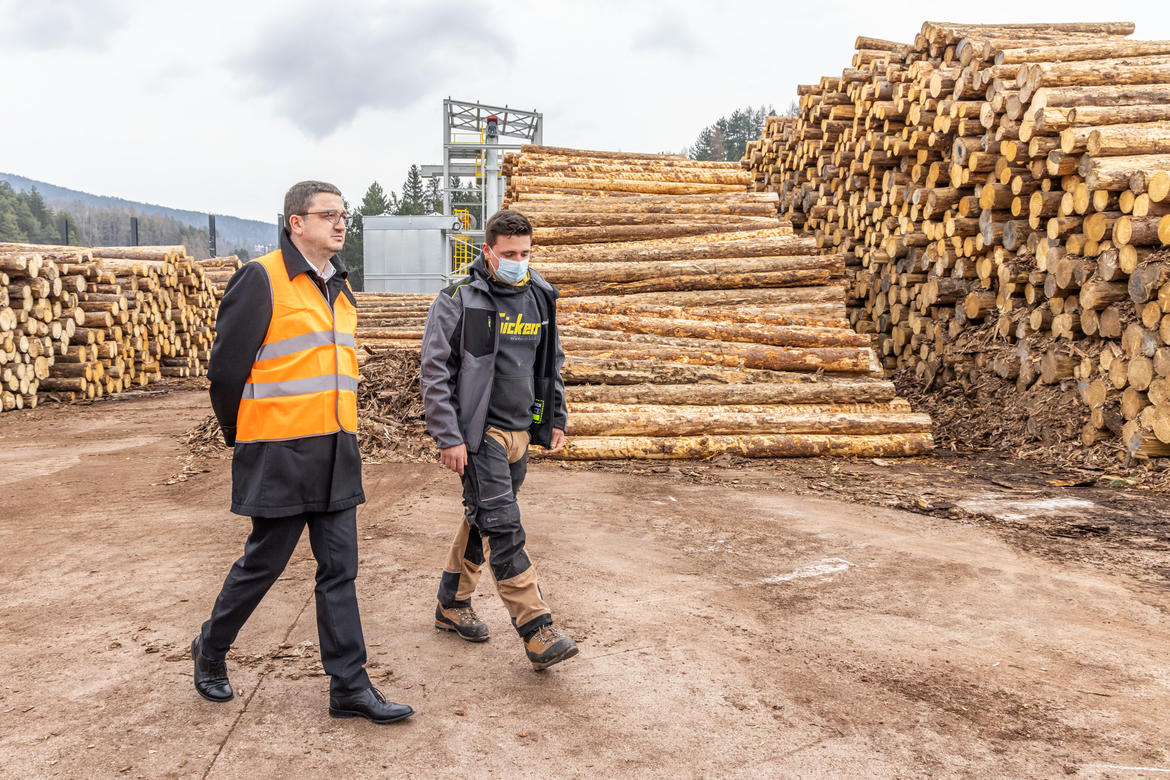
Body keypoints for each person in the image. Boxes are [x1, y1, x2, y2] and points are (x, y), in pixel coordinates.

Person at [191, 180, 412, 724]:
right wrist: (241, 434)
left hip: (337, 449)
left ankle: (349, 686)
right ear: (297, 222)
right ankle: (211, 648)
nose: (341, 223)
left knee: (340, 569)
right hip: (280, 452)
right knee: (264, 563)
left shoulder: (340, 286)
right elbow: (225, 372)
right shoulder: (261, 278)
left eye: (344, 215)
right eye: (329, 215)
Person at [420, 209, 578, 671]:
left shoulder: (540, 296)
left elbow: (550, 365)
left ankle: (452, 603)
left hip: (520, 431)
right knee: (504, 526)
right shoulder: (459, 299)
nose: (517, 261)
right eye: (509, 253)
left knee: (482, 517)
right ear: (487, 251)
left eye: (525, 253)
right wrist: (448, 436)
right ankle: (537, 629)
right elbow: (435, 371)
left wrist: (555, 418)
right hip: (479, 434)